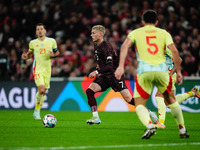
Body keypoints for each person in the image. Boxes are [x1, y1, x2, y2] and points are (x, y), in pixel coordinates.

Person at [115, 10, 189, 139]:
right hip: (162, 71)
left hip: (144, 71)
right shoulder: (164, 33)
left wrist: (121, 67)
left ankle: (150, 126)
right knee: (171, 100)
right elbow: (175, 52)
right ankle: (182, 129)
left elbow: (124, 46)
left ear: (143, 21)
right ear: (157, 22)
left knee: (139, 104)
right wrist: (179, 72)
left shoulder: (136, 32)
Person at [86, 25, 135, 125]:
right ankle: (95, 117)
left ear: (100, 34)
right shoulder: (96, 45)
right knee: (89, 91)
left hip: (114, 75)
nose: (91, 35)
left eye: (93, 33)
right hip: (104, 76)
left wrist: (96, 72)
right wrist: (98, 69)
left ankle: (149, 113)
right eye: (91, 33)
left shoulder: (106, 47)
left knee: (129, 99)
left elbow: (109, 66)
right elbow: (102, 64)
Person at [150, 48, 200, 128]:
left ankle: (161, 123)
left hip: (168, 76)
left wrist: (171, 72)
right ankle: (193, 92)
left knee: (159, 95)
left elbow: (179, 60)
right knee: (169, 103)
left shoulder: (165, 48)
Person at [21, 23, 60, 119]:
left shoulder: (52, 41)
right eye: (38, 29)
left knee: (44, 92)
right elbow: (29, 54)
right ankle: (37, 111)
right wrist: (26, 57)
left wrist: (54, 55)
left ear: (45, 31)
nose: (40, 31)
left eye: (41, 29)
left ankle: (37, 110)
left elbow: (57, 52)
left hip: (48, 69)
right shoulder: (33, 43)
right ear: (36, 32)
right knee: (41, 89)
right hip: (37, 69)